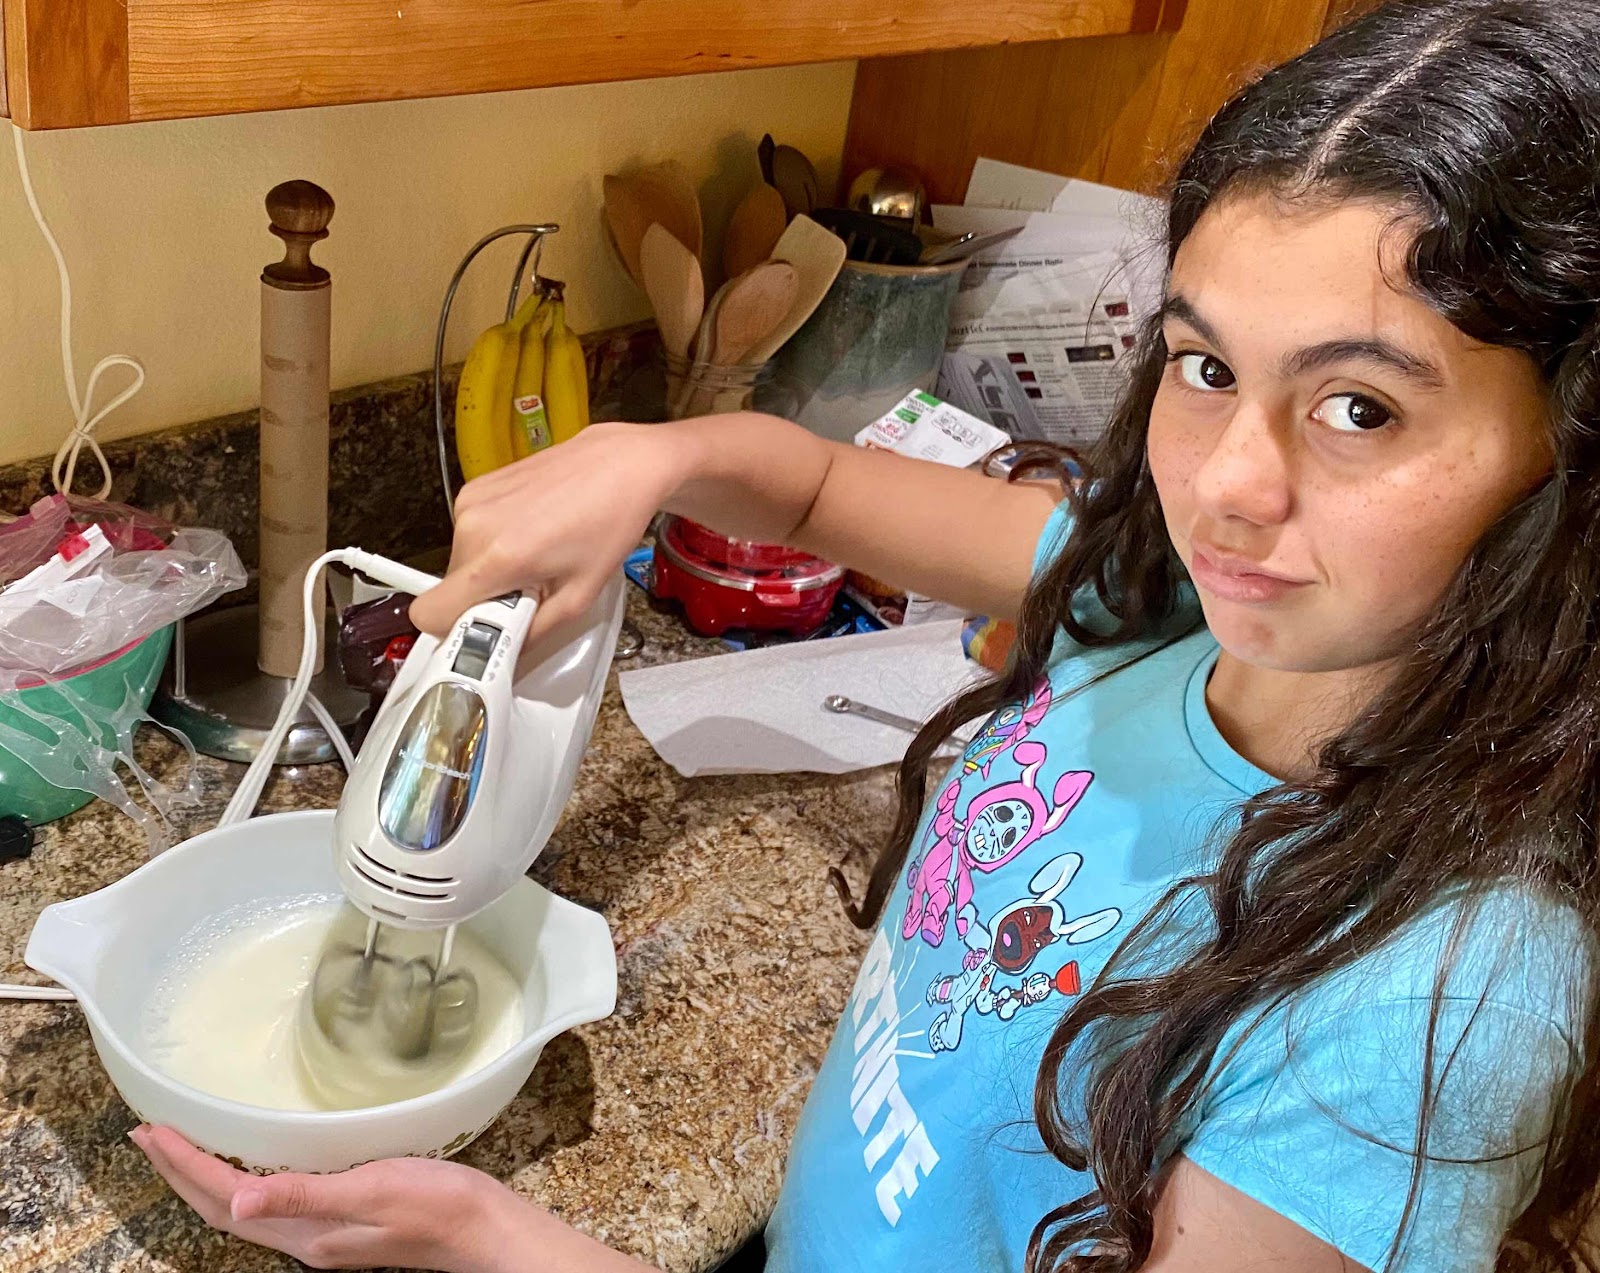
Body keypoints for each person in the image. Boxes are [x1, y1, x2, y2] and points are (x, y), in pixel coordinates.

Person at [133, 0, 1600, 1268]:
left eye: (1360, 407)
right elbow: (821, 490)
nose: (1227, 485)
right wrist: (654, 457)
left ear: (1569, 453)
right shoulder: (1162, 611)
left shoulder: (1436, 1003)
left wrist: (497, 1239)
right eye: (1206, 366)